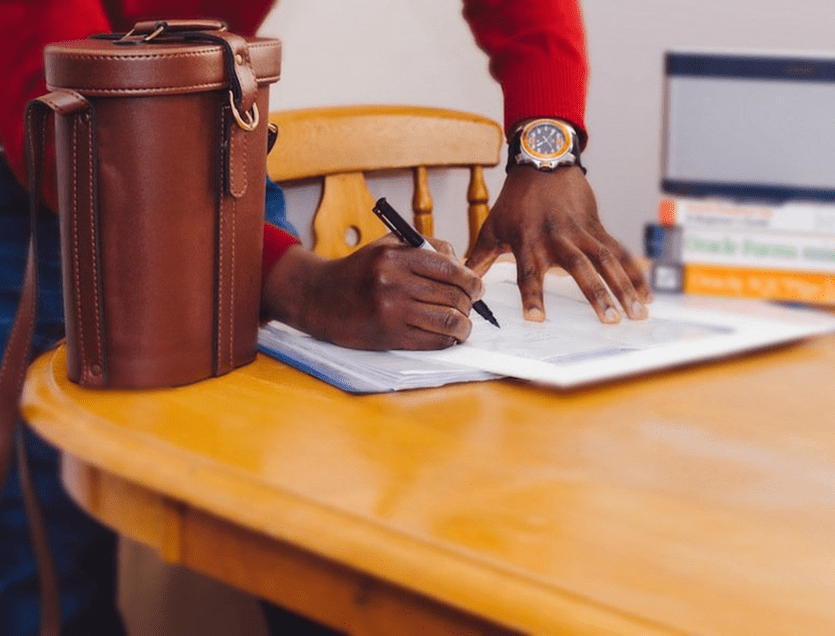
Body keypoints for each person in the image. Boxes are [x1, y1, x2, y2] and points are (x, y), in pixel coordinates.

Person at [0, 0, 651, 634]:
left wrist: (547, 150)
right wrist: (303, 287)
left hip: (202, 136)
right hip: (48, 153)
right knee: (45, 560)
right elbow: (60, 122)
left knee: (288, 497)